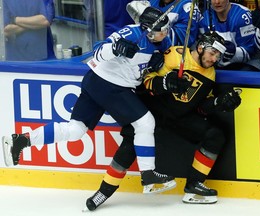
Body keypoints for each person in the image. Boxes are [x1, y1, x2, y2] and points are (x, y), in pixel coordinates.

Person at [2, 6, 176, 197]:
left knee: (75, 130)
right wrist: (115, 49)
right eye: (162, 30)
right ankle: (148, 175)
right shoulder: (130, 33)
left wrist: (154, 63)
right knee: (145, 123)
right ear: (148, 30)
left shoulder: (162, 40)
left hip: (97, 82)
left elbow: (152, 60)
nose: (165, 33)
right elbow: (99, 50)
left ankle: (21, 140)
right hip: (110, 85)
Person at [83, 31, 242, 211]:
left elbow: (200, 108)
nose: (214, 59)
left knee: (215, 135)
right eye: (212, 53)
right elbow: (146, 81)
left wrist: (218, 103)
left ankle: (193, 186)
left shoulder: (210, 74)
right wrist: (165, 83)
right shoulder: (175, 55)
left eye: (218, 56)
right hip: (152, 111)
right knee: (129, 144)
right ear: (200, 47)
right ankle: (104, 191)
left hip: (179, 117)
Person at [199, 0, 257, 70]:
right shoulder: (204, 17)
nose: (217, 2)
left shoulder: (242, 16)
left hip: (243, 66)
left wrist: (234, 52)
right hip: (214, 64)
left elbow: (251, 52)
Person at [127, 0, 202, 47]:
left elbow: (184, 40)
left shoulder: (188, 7)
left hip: (172, 57)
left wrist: (156, 31)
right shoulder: (152, 2)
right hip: (148, 49)